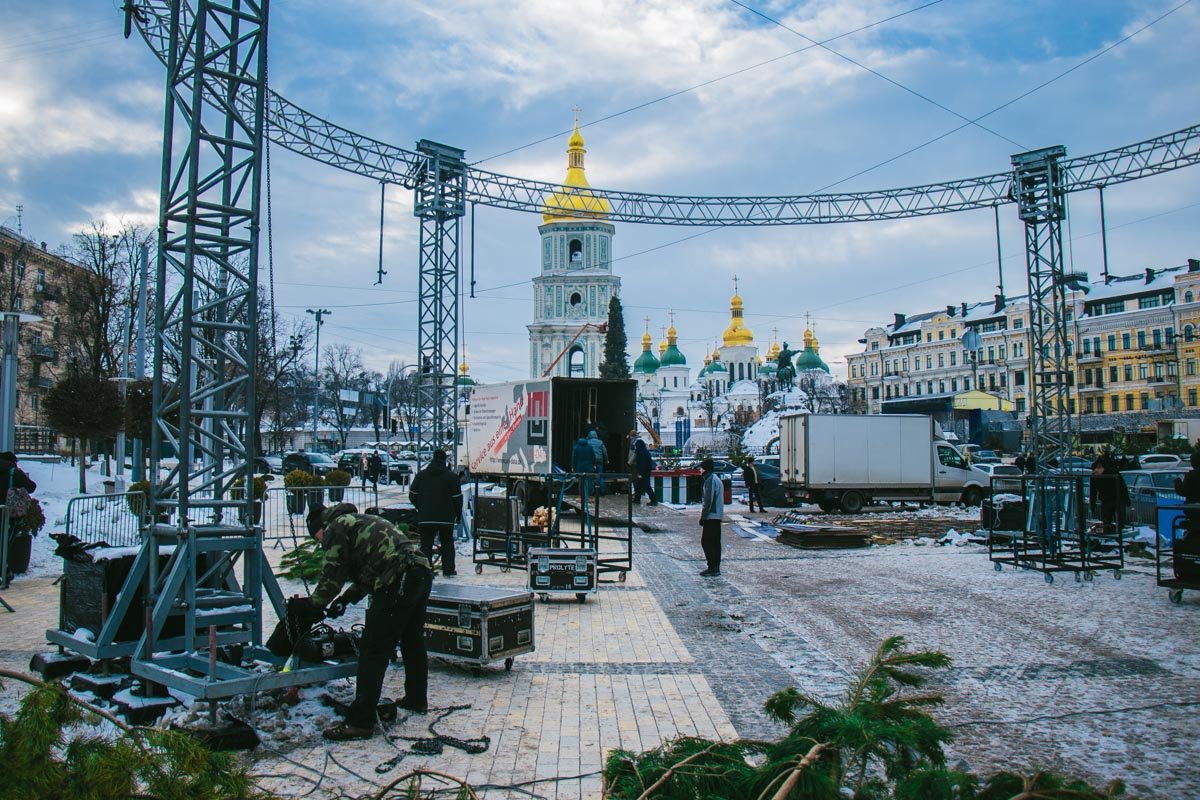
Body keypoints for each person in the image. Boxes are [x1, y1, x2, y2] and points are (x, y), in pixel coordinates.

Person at [302, 501, 433, 741]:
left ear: (321, 526)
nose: (319, 542)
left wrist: (313, 605)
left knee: (373, 649)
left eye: (317, 537)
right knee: (412, 640)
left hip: (398, 577)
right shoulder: (357, 522)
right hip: (419, 572)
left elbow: (333, 573)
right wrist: (346, 599)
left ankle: (360, 722)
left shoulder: (335, 528)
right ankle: (416, 699)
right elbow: (371, 571)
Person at [409, 449, 464, 577]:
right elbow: (458, 499)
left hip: (426, 518)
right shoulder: (452, 477)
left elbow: (412, 495)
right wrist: (457, 515)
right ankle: (448, 570)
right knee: (447, 544)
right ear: (445, 460)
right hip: (446, 518)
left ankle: (426, 570)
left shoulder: (422, 475)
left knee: (426, 545)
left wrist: (420, 507)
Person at [1089, 454, 1129, 539]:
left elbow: (1123, 487)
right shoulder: (1094, 477)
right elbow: (1093, 491)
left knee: (1120, 518)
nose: (1094, 473)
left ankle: (1119, 534)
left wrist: (1126, 500)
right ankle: (1108, 533)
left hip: (1117, 499)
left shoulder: (1113, 473)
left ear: (1101, 468)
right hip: (1105, 500)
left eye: (1096, 471)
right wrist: (1092, 504)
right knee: (1106, 519)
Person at [698, 457, 724, 577]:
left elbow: (708, 500)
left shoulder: (710, 480)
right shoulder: (715, 478)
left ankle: (712, 566)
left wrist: (703, 516)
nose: (700, 470)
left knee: (706, 542)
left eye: (701, 468)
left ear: (706, 469)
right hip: (717, 515)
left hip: (712, 516)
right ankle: (715, 567)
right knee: (715, 542)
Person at [632, 439, 657, 505]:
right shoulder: (644, 452)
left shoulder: (642, 453)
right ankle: (637, 499)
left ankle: (654, 500)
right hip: (646, 472)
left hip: (643, 473)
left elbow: (642, 464)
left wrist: (640, 473)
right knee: (639, 486)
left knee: (646, 487)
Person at [587, 430, 608, 494]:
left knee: (591, 475)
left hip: (591, 461)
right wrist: (606, 460)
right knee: (600, 475)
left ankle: (592, 491)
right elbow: (605, 452)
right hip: (599, 460)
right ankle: (602, 490)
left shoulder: (588, 442)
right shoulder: (600, 442)